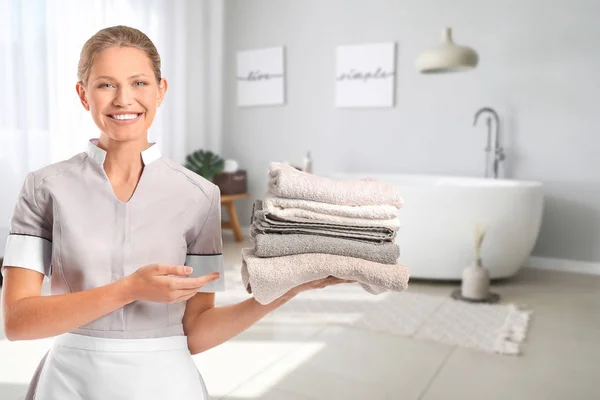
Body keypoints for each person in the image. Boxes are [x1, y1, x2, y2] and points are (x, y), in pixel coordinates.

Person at [0, 25, 354, 400]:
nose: (124, 99)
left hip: (166, 383)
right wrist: (130, 288)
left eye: (139, 83)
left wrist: (287, 290)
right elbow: (17, 322)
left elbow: (196, 330)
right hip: (70, 382)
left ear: (160, 90)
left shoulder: (200, 195)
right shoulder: (44, 187)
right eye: (106, 85)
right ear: (83, 95)